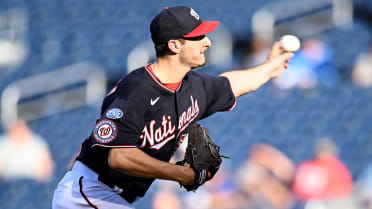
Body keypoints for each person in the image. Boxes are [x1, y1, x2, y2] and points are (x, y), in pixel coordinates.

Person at [52, 6, 293, 209]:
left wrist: (270, 67)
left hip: (115, 198)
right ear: (175, 45)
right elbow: (119, 156)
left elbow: (234, 84)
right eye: (198, 37)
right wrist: (181, 173)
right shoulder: (136, 90)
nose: (207, 42)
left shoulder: (192, 86)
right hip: (87, 194)